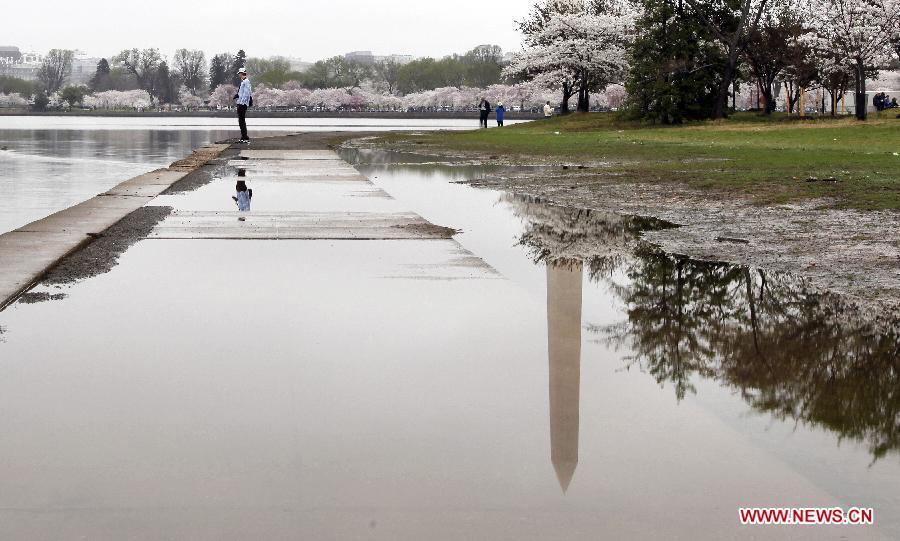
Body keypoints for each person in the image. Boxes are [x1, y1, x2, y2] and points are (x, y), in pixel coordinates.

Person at [233, 68, 252, 144]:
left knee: (241, 120)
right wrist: (237, 96)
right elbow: (242, 93)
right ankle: (243, 136)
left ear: (242, 73)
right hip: (241, 103)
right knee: (241, 120)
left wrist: (241, 103)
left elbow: (246, 93)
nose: (238, 75)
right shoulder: (244, 82)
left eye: (239, 73)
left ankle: (245, 137)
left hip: (242, 104)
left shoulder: (246, 82)